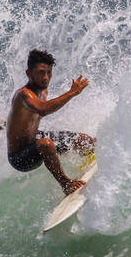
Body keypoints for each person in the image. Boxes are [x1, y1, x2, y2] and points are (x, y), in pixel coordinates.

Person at [6, 49, 95, 195]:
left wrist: (5, 124)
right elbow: (42, 109)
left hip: (34, 139)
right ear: (29, 73)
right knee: (46, 144)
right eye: (41, 72)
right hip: (20, 157)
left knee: (85, 141)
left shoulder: (42, 91)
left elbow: (18, 118)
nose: (46, 77)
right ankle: (66, 184)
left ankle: (87, 159)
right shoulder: (24, 94)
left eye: (49, 72)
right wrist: (72, 93)